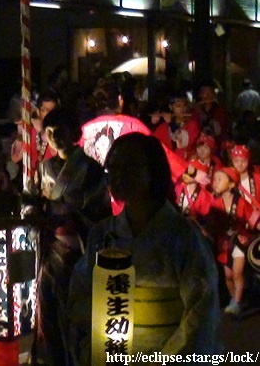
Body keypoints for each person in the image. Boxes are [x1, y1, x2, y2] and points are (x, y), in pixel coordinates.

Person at [68, 133, 220, 362]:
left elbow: (201, 314)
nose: (118, 176)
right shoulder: (102, 235)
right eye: (112, 168)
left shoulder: (182, 236)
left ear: (153, 170)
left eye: (128, 166)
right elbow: (80, 298)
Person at [28, 108, 111, 366]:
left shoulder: (91, 170)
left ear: (74, 133)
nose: (54, 138)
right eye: (49, 133)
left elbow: (100, 214)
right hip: (49, 247)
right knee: (48, 310)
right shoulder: (43, 169)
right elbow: (29, 199)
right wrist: (32, 214)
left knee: (74, 315)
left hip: (78, 252)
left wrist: (73, 218)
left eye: (59, 131)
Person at [201, 166, 258, 315]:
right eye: (215, 179)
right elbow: (210, 224)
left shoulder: (241, 202)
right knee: (228, 276)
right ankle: (235, 300)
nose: (215, 182)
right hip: (223, 244)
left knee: (237, 272)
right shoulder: (215, 203)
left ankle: (237, 302)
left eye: (220, 179)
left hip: (239, 241)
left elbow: (253, 218)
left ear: (232, 184)